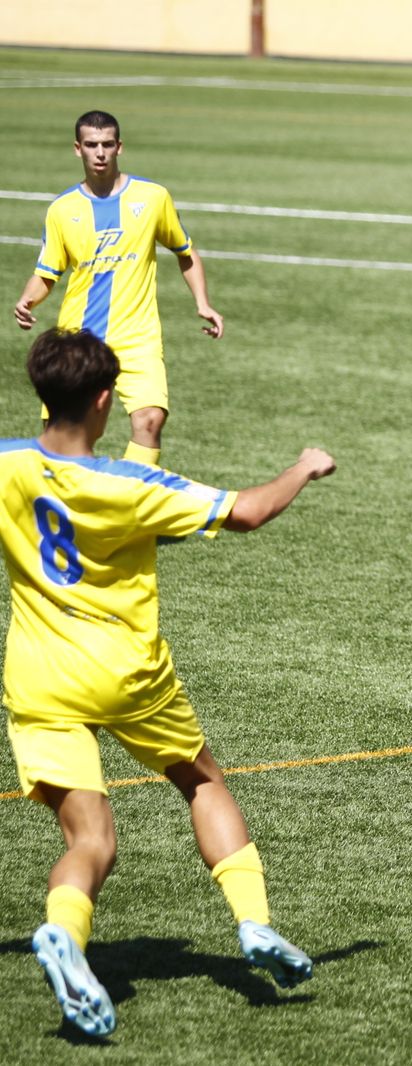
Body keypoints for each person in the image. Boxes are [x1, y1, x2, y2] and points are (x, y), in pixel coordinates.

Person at [3, 328, 335, 1036]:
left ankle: (64, 931)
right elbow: (246, 511)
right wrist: (304, 466)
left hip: (39, 681)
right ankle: (253, 927)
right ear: (102, 400)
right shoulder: (133, 486)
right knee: (202, 780)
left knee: (90, 839)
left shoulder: (5, 465)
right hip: (127, 675)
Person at [13, 110, 224, 467]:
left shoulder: (153, 198)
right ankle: (60, 507)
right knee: (61, 432)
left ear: (119, 147)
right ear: (77, 149)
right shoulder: (62, 209)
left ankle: (129, 507)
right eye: (92, 145)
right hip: (80, 337)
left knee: (150, 420)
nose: (100, 153)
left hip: (138, 335)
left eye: (107, 144)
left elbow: (186, 253)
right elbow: (48, 271)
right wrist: (28, 300)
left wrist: (203, 302)